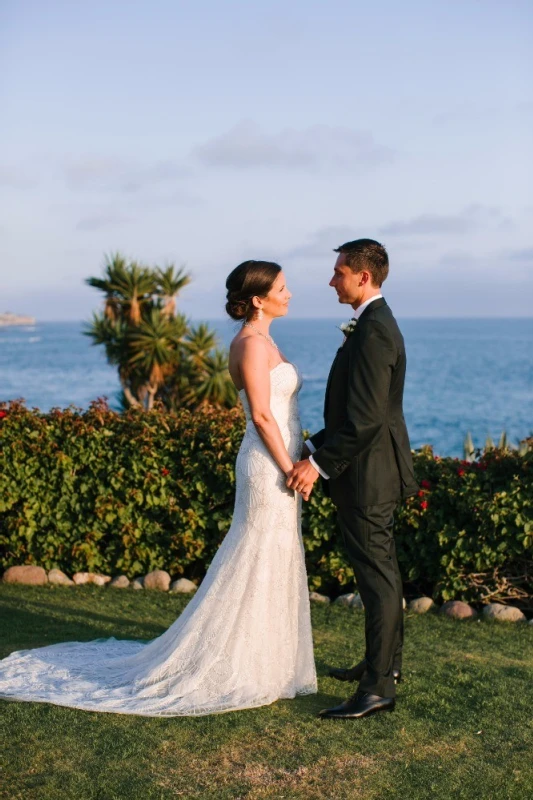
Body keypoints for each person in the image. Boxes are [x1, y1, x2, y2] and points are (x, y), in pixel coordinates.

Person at [0, 260, 317, 716]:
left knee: (276, 556)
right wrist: (291, 468)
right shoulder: (249, 345)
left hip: (281, 461)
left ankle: (269, 663)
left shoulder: (266, 339)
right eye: (282, 288)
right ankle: (230, 663)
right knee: (255, 554)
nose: (289, 294)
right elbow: (263, 417)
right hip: (267, 468)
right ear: (258, 299)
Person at [287, 239, 418, 720]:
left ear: (363, 276)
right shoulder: (372, 325)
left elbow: (364, 421)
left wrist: (316, 466)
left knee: (377, 580)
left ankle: (378, 686)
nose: (331, 280)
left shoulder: (374, 332)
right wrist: (315, 444)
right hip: (370, 471)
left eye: (338, 272)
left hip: (368, 477)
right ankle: (384, 665)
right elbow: (357, 414)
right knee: (382, 576)